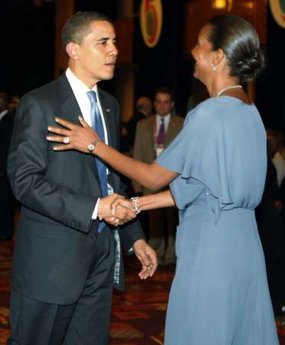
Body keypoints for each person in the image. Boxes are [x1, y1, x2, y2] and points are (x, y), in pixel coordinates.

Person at [47, 14, 279, 344]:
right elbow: (203, 189)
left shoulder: (209, 114)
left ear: (216, 57)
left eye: (199, 45)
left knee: (202, 332)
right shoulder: (250, 112)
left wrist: (94, 145)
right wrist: (138, 204)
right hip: (244, 248)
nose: (192, 51)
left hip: (210, 250)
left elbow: (153, 175)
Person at [7, 11, 157, 345]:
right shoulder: (40, 103)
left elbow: (112, 181)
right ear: (73, 50)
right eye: (103, 42)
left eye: (115, 41)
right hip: (51, 261)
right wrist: (94, 208)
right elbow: (24, 181)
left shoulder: (109, 105)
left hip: (101, 255)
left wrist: (134, 237)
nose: (114, 50)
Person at [132, 87, 183, 265]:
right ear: (154, 104)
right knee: (153, 218)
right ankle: (155, 252)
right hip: (148, 176)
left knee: (172, 218)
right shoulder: (143, 125)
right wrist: (136, 178)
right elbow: (137, 152)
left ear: (172, 104)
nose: (162, 105)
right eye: (159, 102)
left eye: (166, 102)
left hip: (173, 177)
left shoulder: (182, 124)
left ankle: (171, 253)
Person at [0, 91, 16, 241]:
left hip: (4, 169)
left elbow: (7, 148)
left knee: (5, 201)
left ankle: (6, 231)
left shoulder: (8, 121)